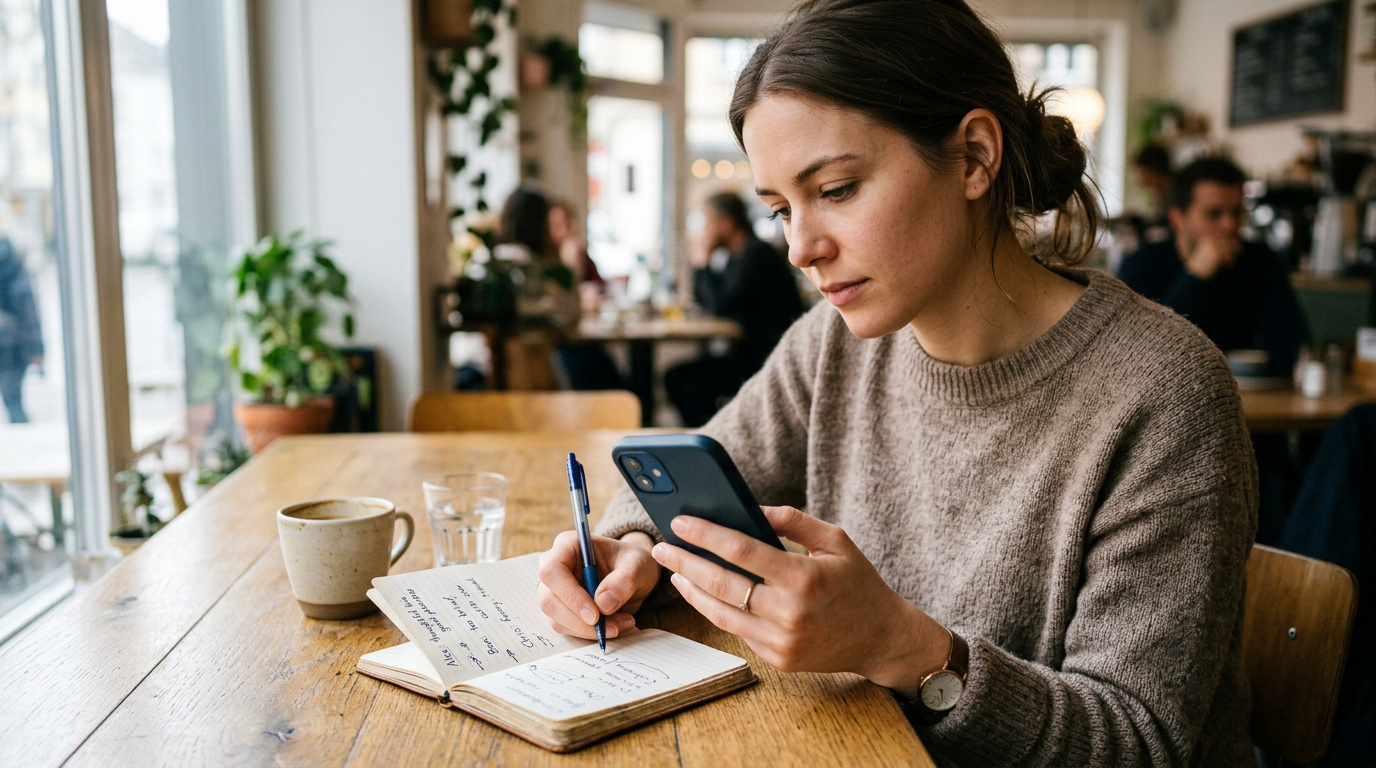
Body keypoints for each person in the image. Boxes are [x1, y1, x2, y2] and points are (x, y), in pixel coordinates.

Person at [536, 1, 1257, 765]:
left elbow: (1139, 743)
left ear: (974, 157)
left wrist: (901, 648)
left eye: (836, 189)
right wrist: (629, 549)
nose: (800, 248)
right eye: (780, 210)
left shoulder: (1164, 392)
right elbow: (691, 473)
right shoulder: (833, 343)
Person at [1118, 157, 1310, 376]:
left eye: (1237, 213)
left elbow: (1294, 349)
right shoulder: (1141, 266)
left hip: (1249, 393)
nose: (1229, 225)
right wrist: (1194, 277)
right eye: (1214, 214)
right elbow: (1137, 358)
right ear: (1177, 218)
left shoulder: (1260, 260)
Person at [664, 192, 804, 426]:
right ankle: (715, 431)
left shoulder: (756, 254)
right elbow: (705, 301)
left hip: (767, 356)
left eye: (708, 222)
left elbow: (719, 304)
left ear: (726, 224)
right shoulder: (737, 256)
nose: (704, 231)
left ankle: (712, 435)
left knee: (680, 379)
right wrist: (702, 265)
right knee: (684, 377)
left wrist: (702, 263)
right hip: (748, 351)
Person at [0, 236, 43, 424]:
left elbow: (27, 311)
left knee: (12, 399)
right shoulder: (15, 268)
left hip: (11, 344)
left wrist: (36, 349)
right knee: (13, 399)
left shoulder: (12, 269)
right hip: (13, 343)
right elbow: (28, 311)